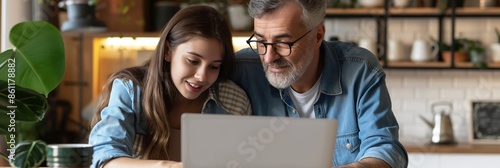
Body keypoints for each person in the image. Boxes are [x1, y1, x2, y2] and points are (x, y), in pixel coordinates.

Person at [231, 0, 408, 167]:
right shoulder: (241, 69)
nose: (269, 57)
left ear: (317, 36)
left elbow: (385, 148)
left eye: (283, 43)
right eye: (261, 42)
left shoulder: (361, 70)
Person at [88, 5, 251, 168]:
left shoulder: (233, 100)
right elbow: (103, 158)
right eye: (193, 61)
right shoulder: (131, 90)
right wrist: (166, 166)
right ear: (168, 51)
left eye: (214, 66)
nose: (202, 76)